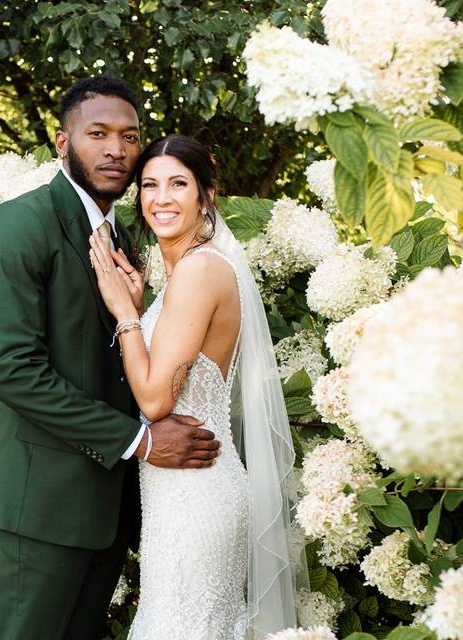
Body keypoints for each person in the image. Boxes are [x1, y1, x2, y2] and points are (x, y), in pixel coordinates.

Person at [0, 78, 222, 640]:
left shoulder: (123, 236)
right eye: (98, 134)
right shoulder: (19, 226)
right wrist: (142, 441)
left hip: (110, 508)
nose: (117, 149)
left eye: (130, 137)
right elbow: (14, 371)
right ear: (62, 142)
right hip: (44, 507)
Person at [88, 135, 303, 639]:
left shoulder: (200, 270)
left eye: (178, 184)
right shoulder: (189, 273)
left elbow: (156, 399)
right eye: (150, 185)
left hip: (195, 489)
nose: (161, 198)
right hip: (182, 487)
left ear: (206, 195)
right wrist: (140, 313)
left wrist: (123, 314)